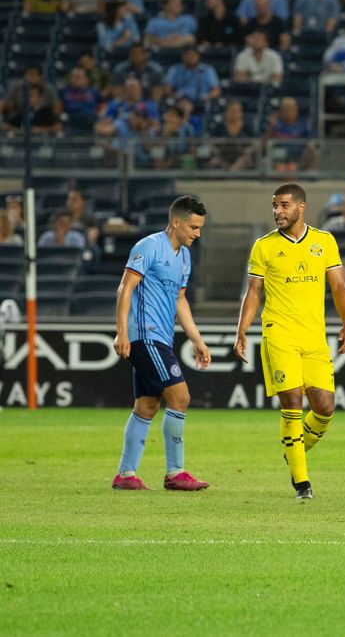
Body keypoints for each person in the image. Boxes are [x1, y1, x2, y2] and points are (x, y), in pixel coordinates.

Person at [234, 184, 345, 501]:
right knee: (292, 403)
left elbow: (339, 286)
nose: (278, 211)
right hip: (279, 333)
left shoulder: (324, 241)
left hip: (314, 335)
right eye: (275, 205)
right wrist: (242, 330)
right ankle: (302, 483)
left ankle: (295, 447)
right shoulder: (264, 246)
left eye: (284, 205)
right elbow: (254, 293)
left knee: (325, 408)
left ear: (301, 207)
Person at [111, 196, 211, 491]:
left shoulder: (184, 257)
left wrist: (197, 340)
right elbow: (125, 288)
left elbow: (180, 301)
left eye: (200, 228)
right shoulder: (149, 246)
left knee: (147, 404)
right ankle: (175, 473)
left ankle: (125, 475)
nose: (198, 233)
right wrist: (121, 333)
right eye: (193, 227)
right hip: (145, 335)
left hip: (161, 338)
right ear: (177, 222)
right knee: (180, 398)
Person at [60, 67, 102, 131]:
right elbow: (58, 106)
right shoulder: (64, 91)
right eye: (73, 77)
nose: (75, 79)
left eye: (78, 77)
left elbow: (102, 106)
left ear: (86, 79)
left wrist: (97, 117)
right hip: (69, 124)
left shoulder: (93, 91)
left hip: (90, 124)